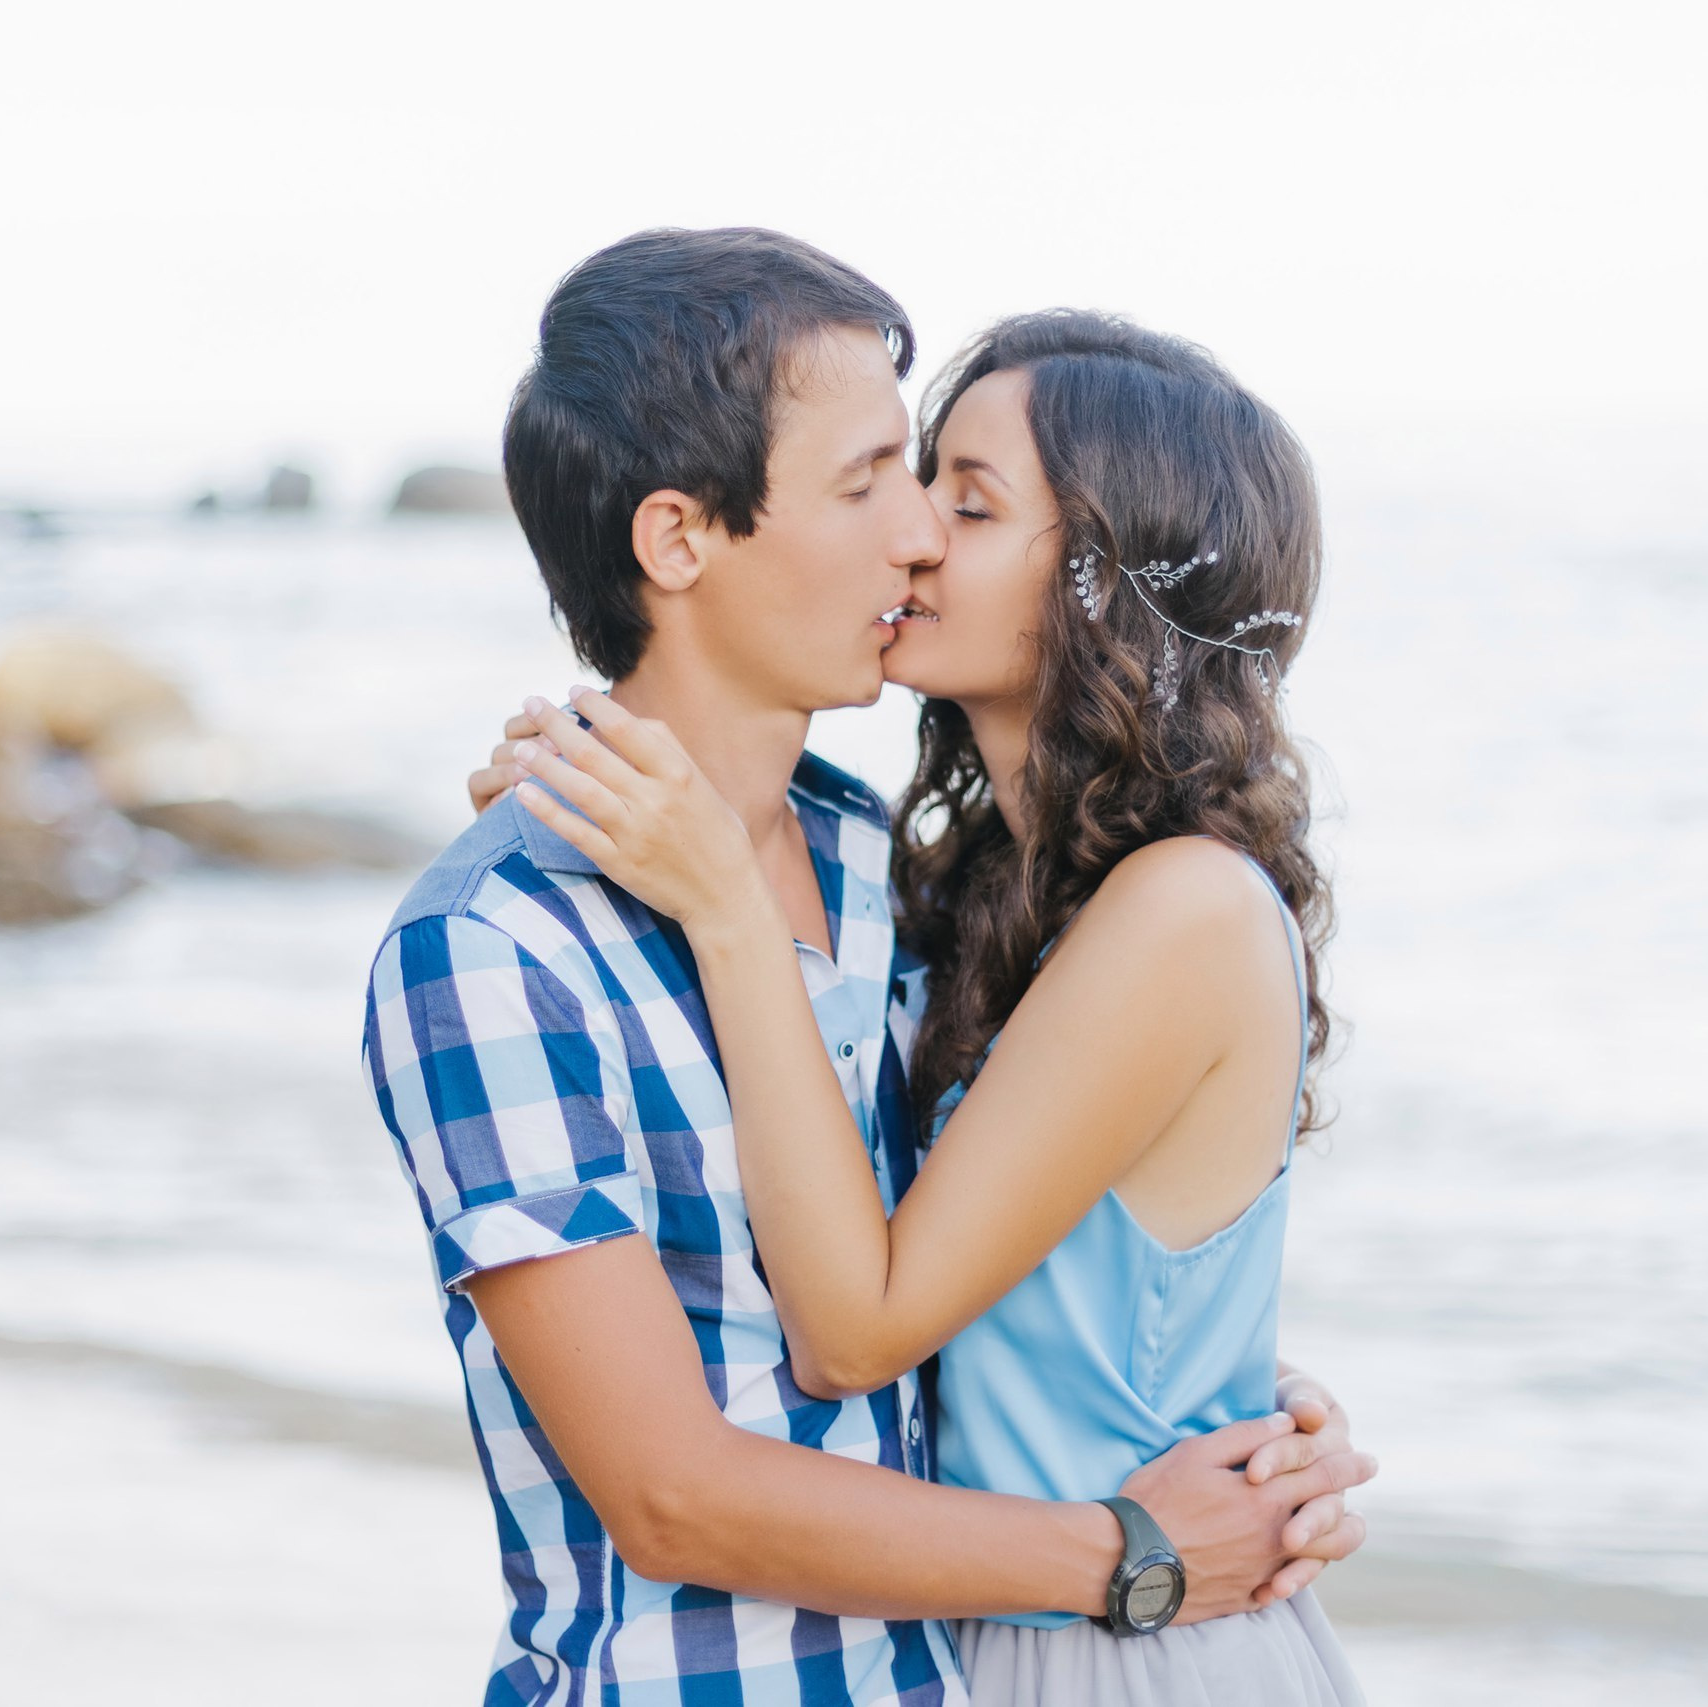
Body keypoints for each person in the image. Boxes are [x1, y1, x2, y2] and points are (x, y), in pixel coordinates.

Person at [363, 228, 1372, 1707]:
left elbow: (987, 1284)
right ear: (679, 537)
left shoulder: (886, 872)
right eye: (883, 484)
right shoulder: (509, 939)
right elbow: (676, 1492)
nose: (913, 535)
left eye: (957, 497)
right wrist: (1135, 1541)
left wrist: (1248, 1417)